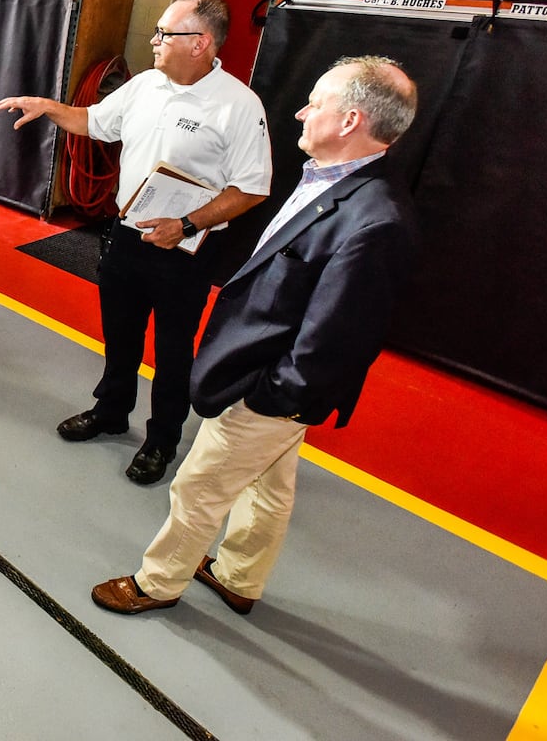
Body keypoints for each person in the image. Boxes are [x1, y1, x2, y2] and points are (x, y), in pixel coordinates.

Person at [90, 56, 419, 616]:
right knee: (268, 487)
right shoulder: (328, 182)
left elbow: (337, 337)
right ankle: (240, 575)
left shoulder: (376, 221)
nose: (299, 112)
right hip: (267, 376)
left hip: (269, 388)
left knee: (199, 486)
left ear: (349, 121)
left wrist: (270, 399)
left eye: (315, 103)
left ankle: (157, 583)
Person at [0, 0, 271, 484]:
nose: (154, 40)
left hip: (185, 249)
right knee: (120, 334)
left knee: (172, 349)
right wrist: (48, 106)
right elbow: (94, 123)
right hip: (126, 235)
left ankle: (162, 438)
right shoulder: (146, 85)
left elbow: (251, 188)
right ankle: (111, 411)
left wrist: (186, 225)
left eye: (166, 33)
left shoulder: (237, 106)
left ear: (201, 43)